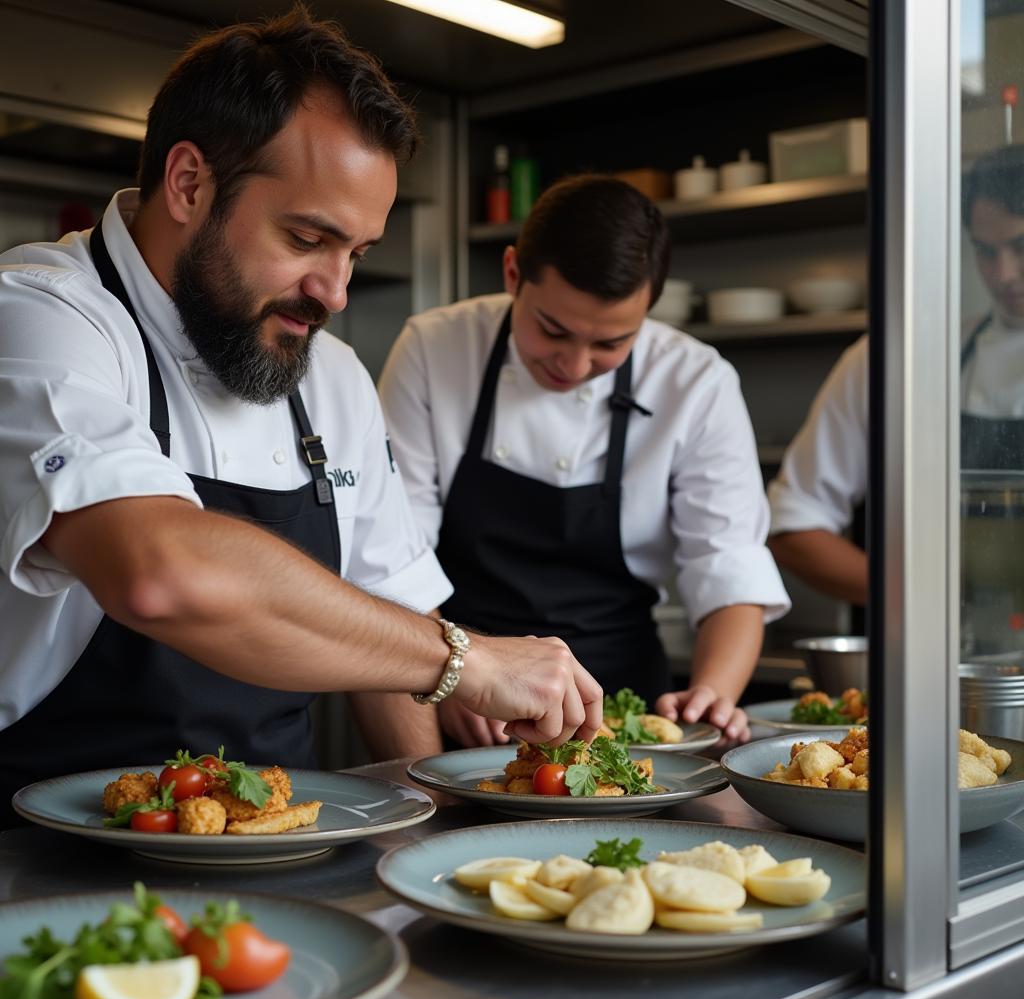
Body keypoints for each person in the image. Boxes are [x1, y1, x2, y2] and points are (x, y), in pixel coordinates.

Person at [0, 9, 602, 826]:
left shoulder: (333, 378)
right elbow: (157, 569)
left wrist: (425, 828)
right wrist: (463, 659)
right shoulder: (39, 315)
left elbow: (386, 624)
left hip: (279, 847)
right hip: (35, 859)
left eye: (356, 253)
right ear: (189, 183)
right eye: (307, 237)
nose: (336, 292)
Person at [378, 174, 790, 747]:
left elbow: (728, 563)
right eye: (553, 330)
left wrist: (712, 695)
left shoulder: (696, 382)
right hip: (469, 693)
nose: (573, 366)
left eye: (610, 344)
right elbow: (394, 555)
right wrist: (454, 670)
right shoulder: (434, 348)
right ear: (513, 273)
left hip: (624, 711)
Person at [768, 144, 1024, 606]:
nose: (1004, 274)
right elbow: (793, 524)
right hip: (933, 660)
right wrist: (930, 603)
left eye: (1021, 247)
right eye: (986, 251)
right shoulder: (896, 360)